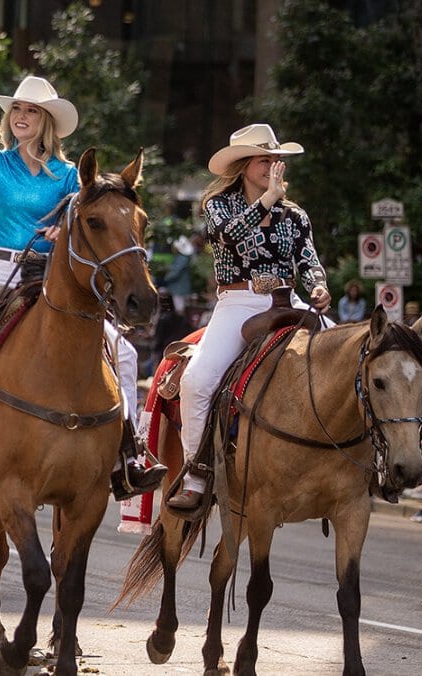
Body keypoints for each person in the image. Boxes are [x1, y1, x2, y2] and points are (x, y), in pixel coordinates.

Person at [0, 45, 164, 495]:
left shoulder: (68, 176)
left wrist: (66, 233)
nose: (21, 115)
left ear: (47, 122)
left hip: (52, 278)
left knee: (127, 353)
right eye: (16, 108)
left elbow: (88, 218)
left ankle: (128, 455)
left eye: (31, 110)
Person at [166, 124, 332, 511]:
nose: (273, 166)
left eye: (277, 160)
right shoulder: (219, 204)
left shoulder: (295, 215)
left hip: (288, 300)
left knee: (353, 358)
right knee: (197, 380)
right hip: (239, 302)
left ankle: (355, 462)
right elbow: (226, 237)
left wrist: (319, 287)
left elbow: (308, 260)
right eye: (264, 160)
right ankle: (196, 473)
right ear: (243, 166)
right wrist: (267, 200)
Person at [162, 235, 196, 316]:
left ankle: (182, 325)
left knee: (180, 309)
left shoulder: (182, 258)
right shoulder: (181, 257)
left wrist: (166, 278)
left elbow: (175, 272)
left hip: (179, 288)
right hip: (179, 287)